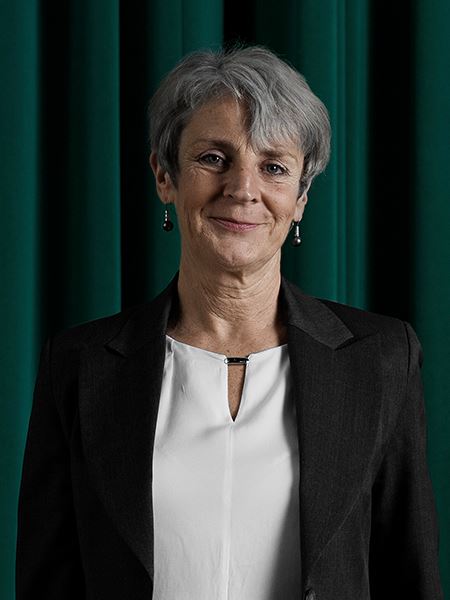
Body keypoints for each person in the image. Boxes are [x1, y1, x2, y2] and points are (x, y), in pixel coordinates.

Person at [16, 46, 443, 600]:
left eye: (274, 167)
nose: (243, 188)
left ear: (301, 197)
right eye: (214, 158)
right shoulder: (77, 366)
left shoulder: (380, 359)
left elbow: (409, 577)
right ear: (164, 175)